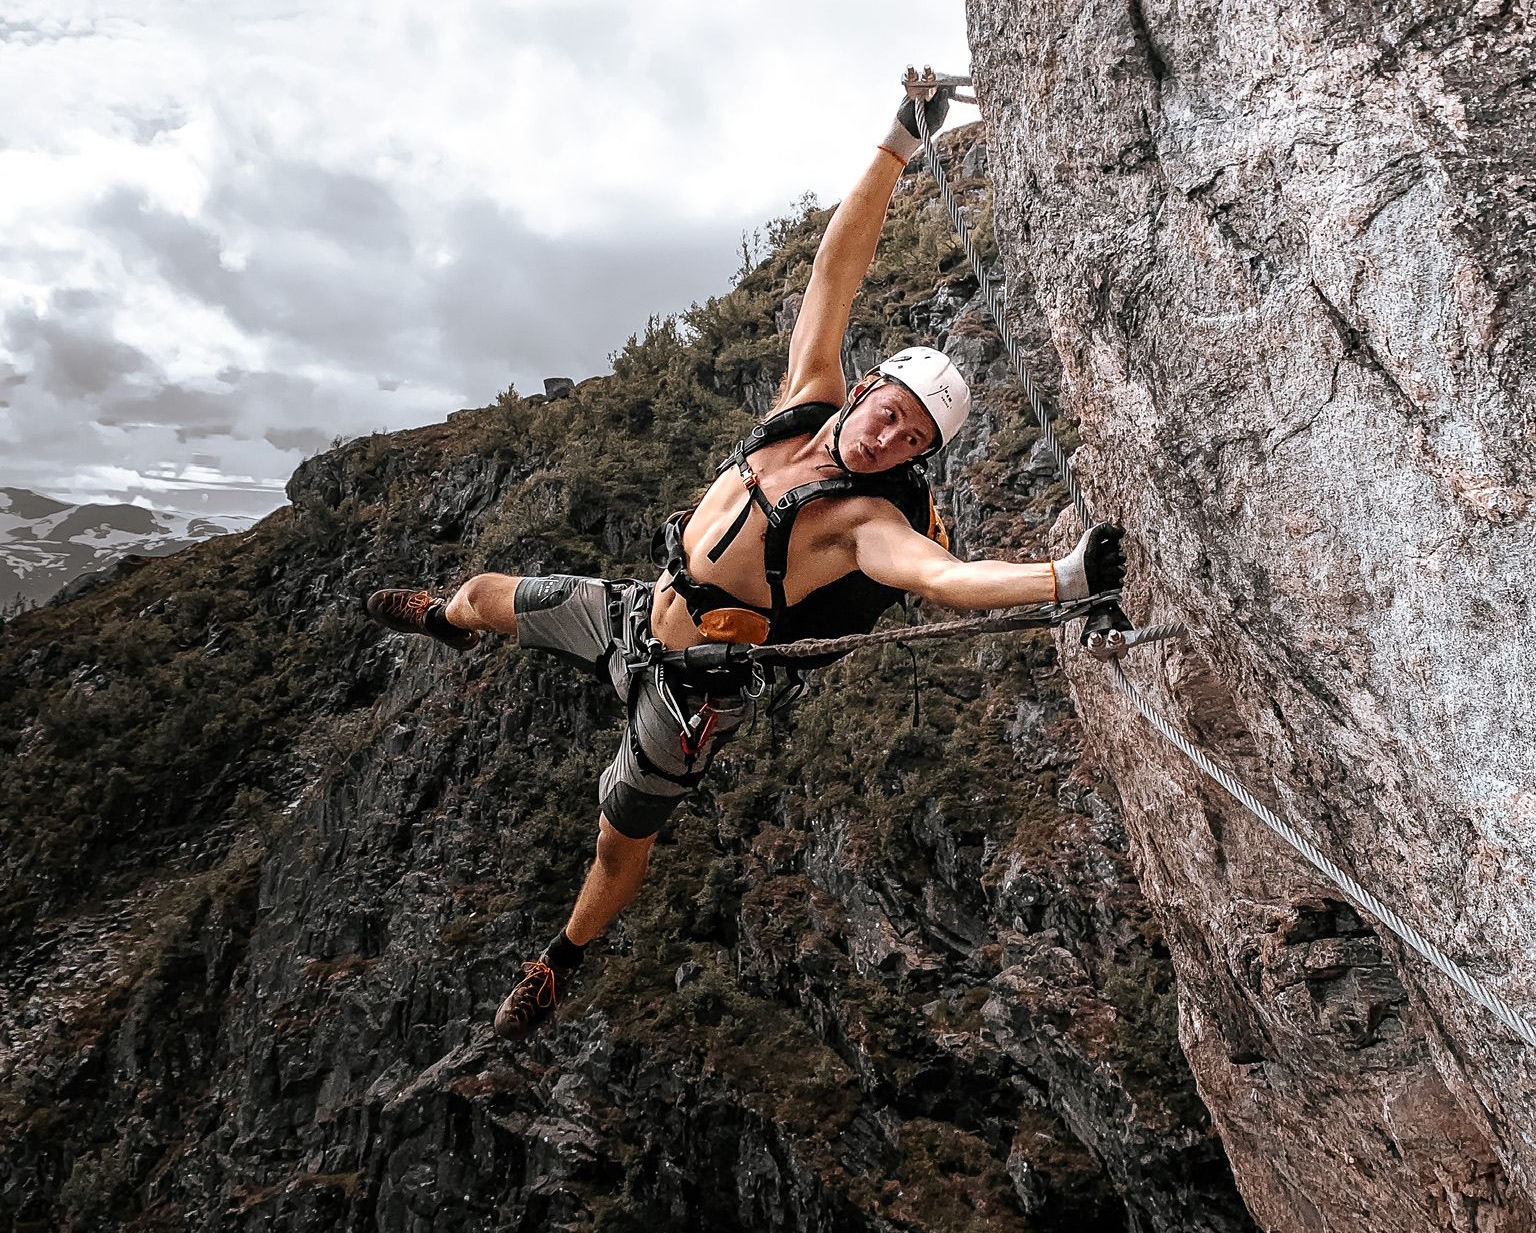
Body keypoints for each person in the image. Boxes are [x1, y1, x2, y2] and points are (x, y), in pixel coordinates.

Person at [365, 73, 1124, 1041]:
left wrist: (1063, 578)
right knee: (480, 591)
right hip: (637, 611)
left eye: (911, 441)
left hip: (686, 691)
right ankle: (445, 623)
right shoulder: (806, 399)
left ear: (918, 458)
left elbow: (945, 579)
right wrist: (895, 145)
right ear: (866, 389)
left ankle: (560, 961)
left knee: (616, 840)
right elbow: (832, 276)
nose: (888, 437)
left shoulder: (864, 526)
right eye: (889, 411)